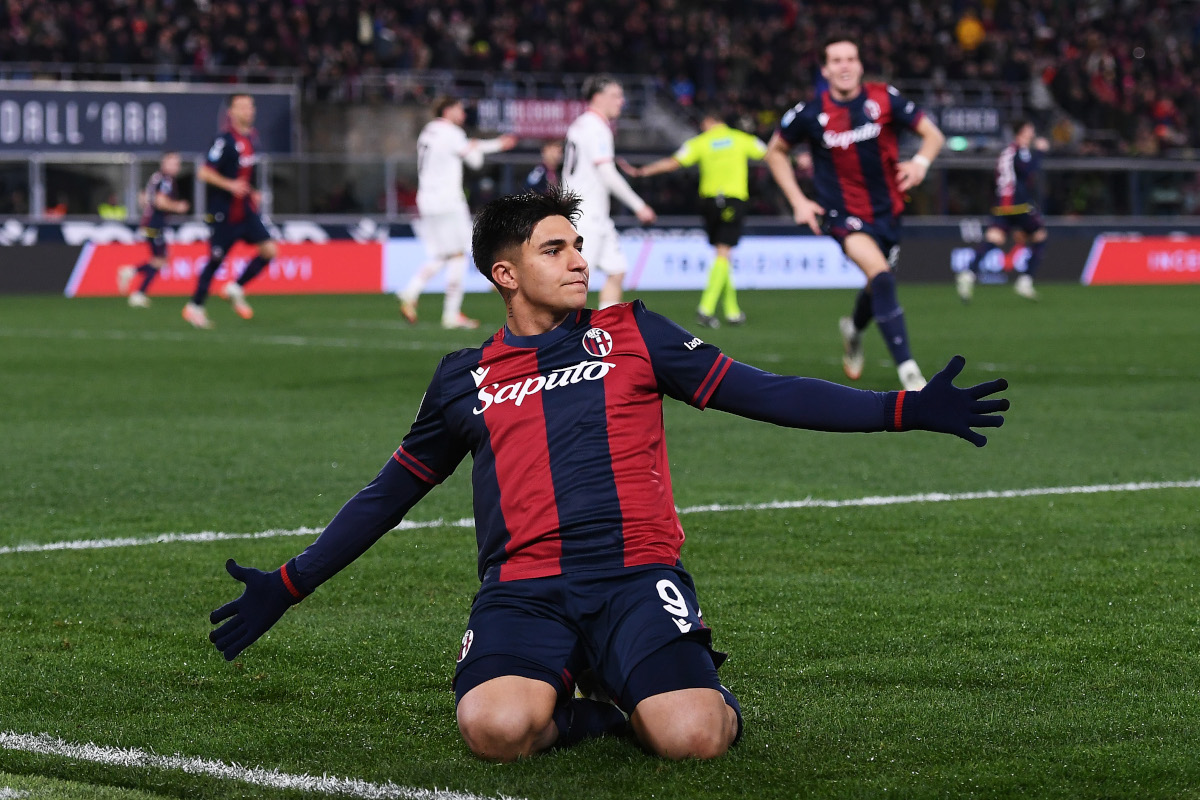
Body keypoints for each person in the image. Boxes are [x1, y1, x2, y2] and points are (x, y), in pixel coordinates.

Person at [209, 187, 1009, 763]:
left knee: (694, 739)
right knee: (493, 731)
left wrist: (903, 410)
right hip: (524, 590)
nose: (578, 261)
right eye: (554, 249)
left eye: (578, 245)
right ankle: (589, 709)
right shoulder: (463, 376)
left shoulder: (633, 333)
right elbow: (391, 491)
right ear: (506, 274)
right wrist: (291, 580)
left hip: (635, 579)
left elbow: (765, 391)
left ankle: (666, 688)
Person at [765, 34, 945, 391]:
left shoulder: (884, 98)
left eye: (850, 59)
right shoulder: (810, 113)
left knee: (876, 283)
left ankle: (854, 329)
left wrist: (921, 163)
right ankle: (909, 372)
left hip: (888, 211)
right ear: (825, 70)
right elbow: (775, 152)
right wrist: (799, 201)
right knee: (881, 275)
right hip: (842, 214)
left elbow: (932, 135)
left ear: (860, 65)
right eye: (836, 60)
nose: (844, 66)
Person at [623, 109, 767, 328]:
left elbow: (674, 162)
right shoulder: (740, 139)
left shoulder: (700, 142)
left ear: (710, 120)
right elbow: (769, 152)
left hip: (709, 202)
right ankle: (706, 309)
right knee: (724, 251)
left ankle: (732, 311)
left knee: (722, 253)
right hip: (733, 200)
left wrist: (642, 171)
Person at [397, 97, 518, 329]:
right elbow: (474, 160)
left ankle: (410, 291)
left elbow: (466, 147)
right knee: (459, 255)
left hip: (427, 200)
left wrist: (494, 144)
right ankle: (451, 314)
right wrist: (492, 146)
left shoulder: (428, 131)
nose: (463, 114)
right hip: (447, 200)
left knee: (443, 254)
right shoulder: (452, 132)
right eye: (460, 109)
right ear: (448, 109)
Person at [183, 93, 276, 330]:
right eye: (242, 107)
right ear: (231, 113)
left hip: (245, 209)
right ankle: (194, 306)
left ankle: (235, 287)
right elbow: (203, 173)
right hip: (223, 212)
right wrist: (230, 185)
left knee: (269, 250)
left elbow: (243, 174)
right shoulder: (223, 140)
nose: (248, 110)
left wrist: (251, 191)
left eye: (250, 106)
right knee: (216, 260)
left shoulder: (253, 139)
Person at [563, 75, 656, 309]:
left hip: (592, 214)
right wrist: (639, 205)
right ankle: (556, 338)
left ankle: (605, 331)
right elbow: (606, 171)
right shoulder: (596, 127)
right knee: (576, 281)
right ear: (597, 97)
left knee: (617, 270)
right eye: (615, 96)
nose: (621, 101)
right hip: (587, 215)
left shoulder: (581, 124)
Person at [956, 119, 1049, 302]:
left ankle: (968, 273)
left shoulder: (1006, 151)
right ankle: (1025, 280)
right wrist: (1039, 152)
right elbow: (1027, 170)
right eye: (1030, 129)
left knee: (994, 239)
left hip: (1002, 204)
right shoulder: (1020, 151)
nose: (1032, 133)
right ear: (1022, 131)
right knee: (1040, 236)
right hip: (1019, 204)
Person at [117, 152, 189, 308]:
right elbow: (159, 201)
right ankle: (137, 288)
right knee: (160, 260)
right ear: (165, 163)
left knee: (159, 259)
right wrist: (178, 206)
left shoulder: (156, 178)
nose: (177, 167)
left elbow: (142, 197)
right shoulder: (165, 180)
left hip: (149, 225)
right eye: (174, 163)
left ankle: (133, 277)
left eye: (178, 163)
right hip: (155, 225)